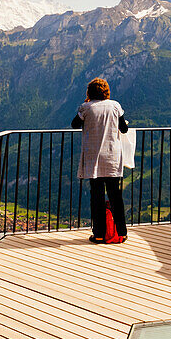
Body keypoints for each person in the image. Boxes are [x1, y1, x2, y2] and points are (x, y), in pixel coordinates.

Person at [71, 77, 129, 243]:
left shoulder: (86, 107)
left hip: (93, 157)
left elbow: (74, 124)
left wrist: (86, 105)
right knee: (115, 196)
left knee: (96, 196)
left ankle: (99, 233)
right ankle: (121, 233)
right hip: (112, 156)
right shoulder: (115, 106)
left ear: (90, 92)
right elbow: (123, 128)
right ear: (106, 92)